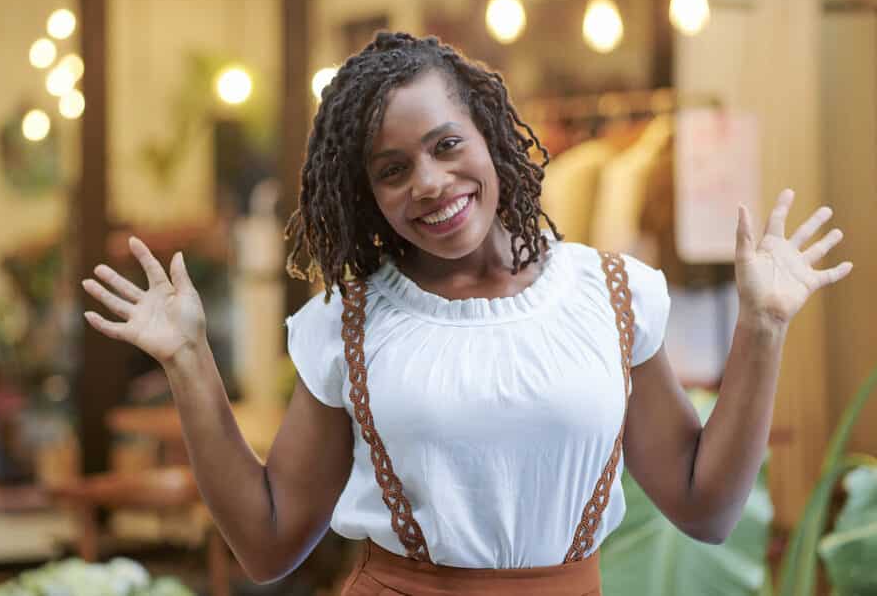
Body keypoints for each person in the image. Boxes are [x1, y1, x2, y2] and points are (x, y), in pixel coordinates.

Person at [82, 32, 853, 595]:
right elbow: (267, 541)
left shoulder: (612, 296)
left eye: (447, 144)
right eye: (392, 169)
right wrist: (187, 359)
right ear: (369, 197)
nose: (428, 181)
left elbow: (707, 508)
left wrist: (763, 328)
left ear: (492, 138)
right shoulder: (348, 324)